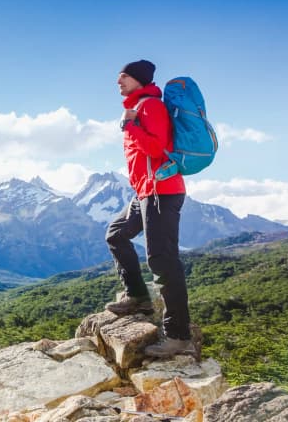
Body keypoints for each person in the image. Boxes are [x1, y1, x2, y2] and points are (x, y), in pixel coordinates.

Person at [105, 59, 195, 358]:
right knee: (116, 234)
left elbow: (157, 148)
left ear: (139, 80)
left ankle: (178, 336)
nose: (118, 82)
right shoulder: (138, 106)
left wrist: (130, 126)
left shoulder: (150, 107)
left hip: (162, 192)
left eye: (124, 78)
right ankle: (139, 297)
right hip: (146, 190)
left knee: (163, 261)